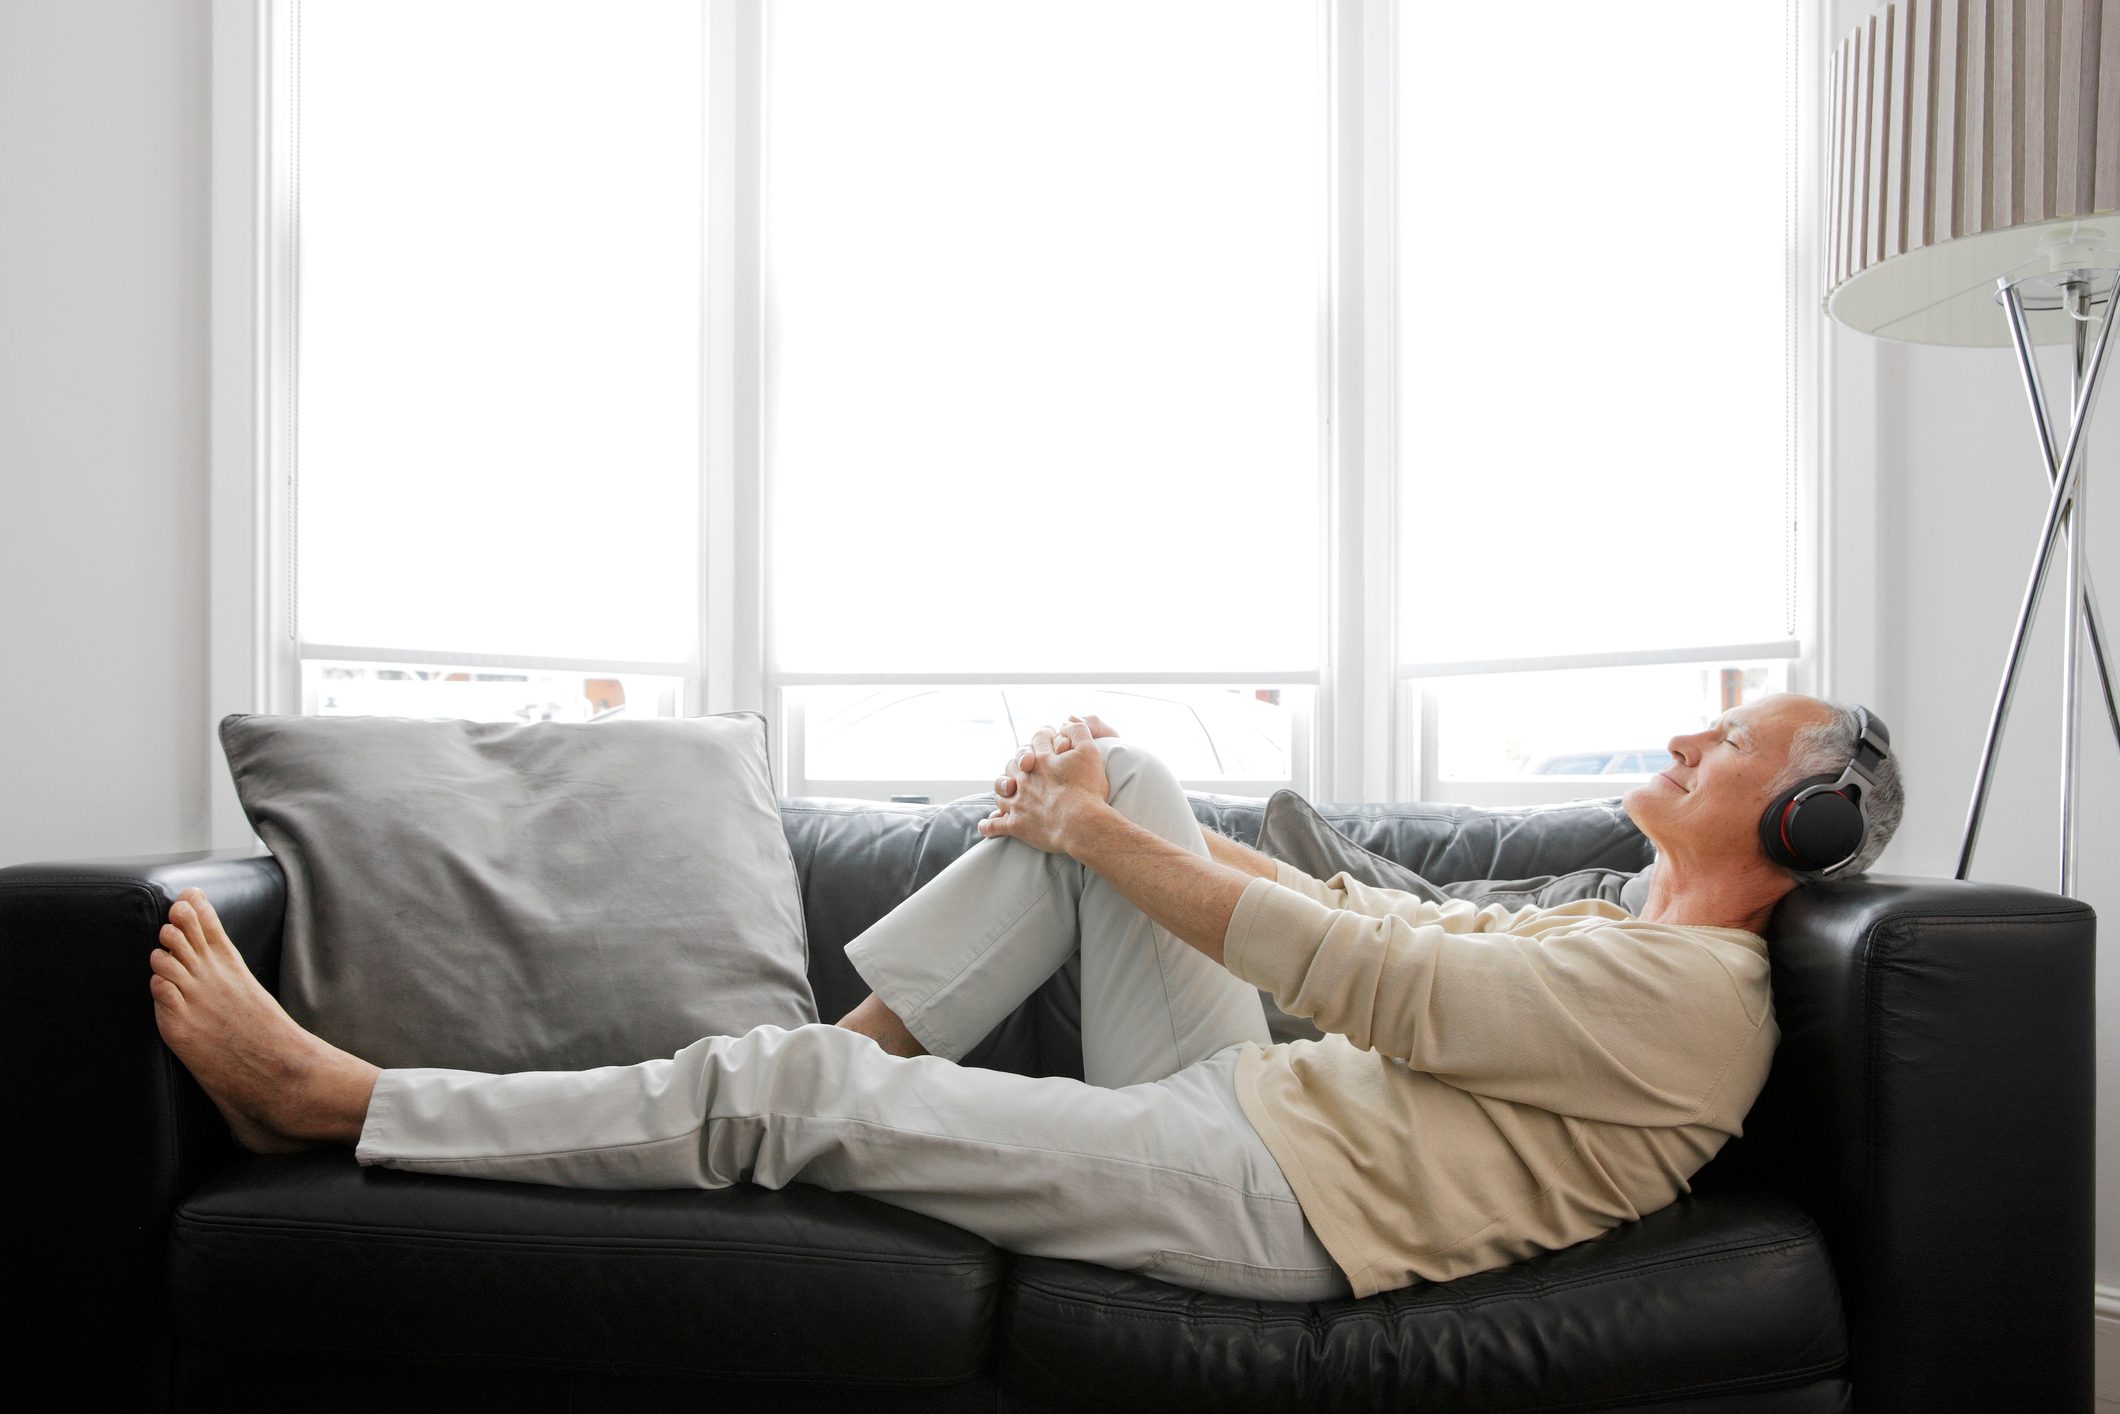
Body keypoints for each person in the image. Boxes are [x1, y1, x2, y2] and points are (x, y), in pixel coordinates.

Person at [146, 692, 1903, 1302]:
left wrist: (1103, 840)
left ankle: (343, 1097)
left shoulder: (1694, 996)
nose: (1685, 739)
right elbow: (1360, 909)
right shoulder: (1623, 925)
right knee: (1134, 777)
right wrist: (1098, 810)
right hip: (1256, 1110)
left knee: (792, 1093)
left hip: (1282, 1203)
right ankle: (846, 1053)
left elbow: (1371, 974)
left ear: (1801, 812)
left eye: (1729, 741)